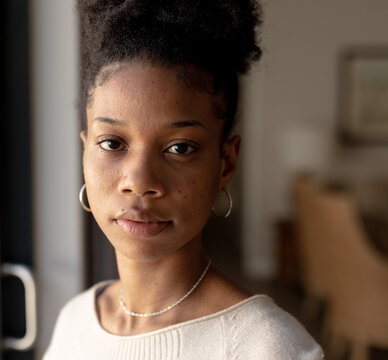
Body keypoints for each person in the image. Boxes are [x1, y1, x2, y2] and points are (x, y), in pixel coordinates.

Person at [44, 0, 324, 358]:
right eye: (113, 143)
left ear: (225, 163)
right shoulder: (75, 321)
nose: (140, 181)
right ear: (85, 152)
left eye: (179, 148)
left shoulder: (265, 346)